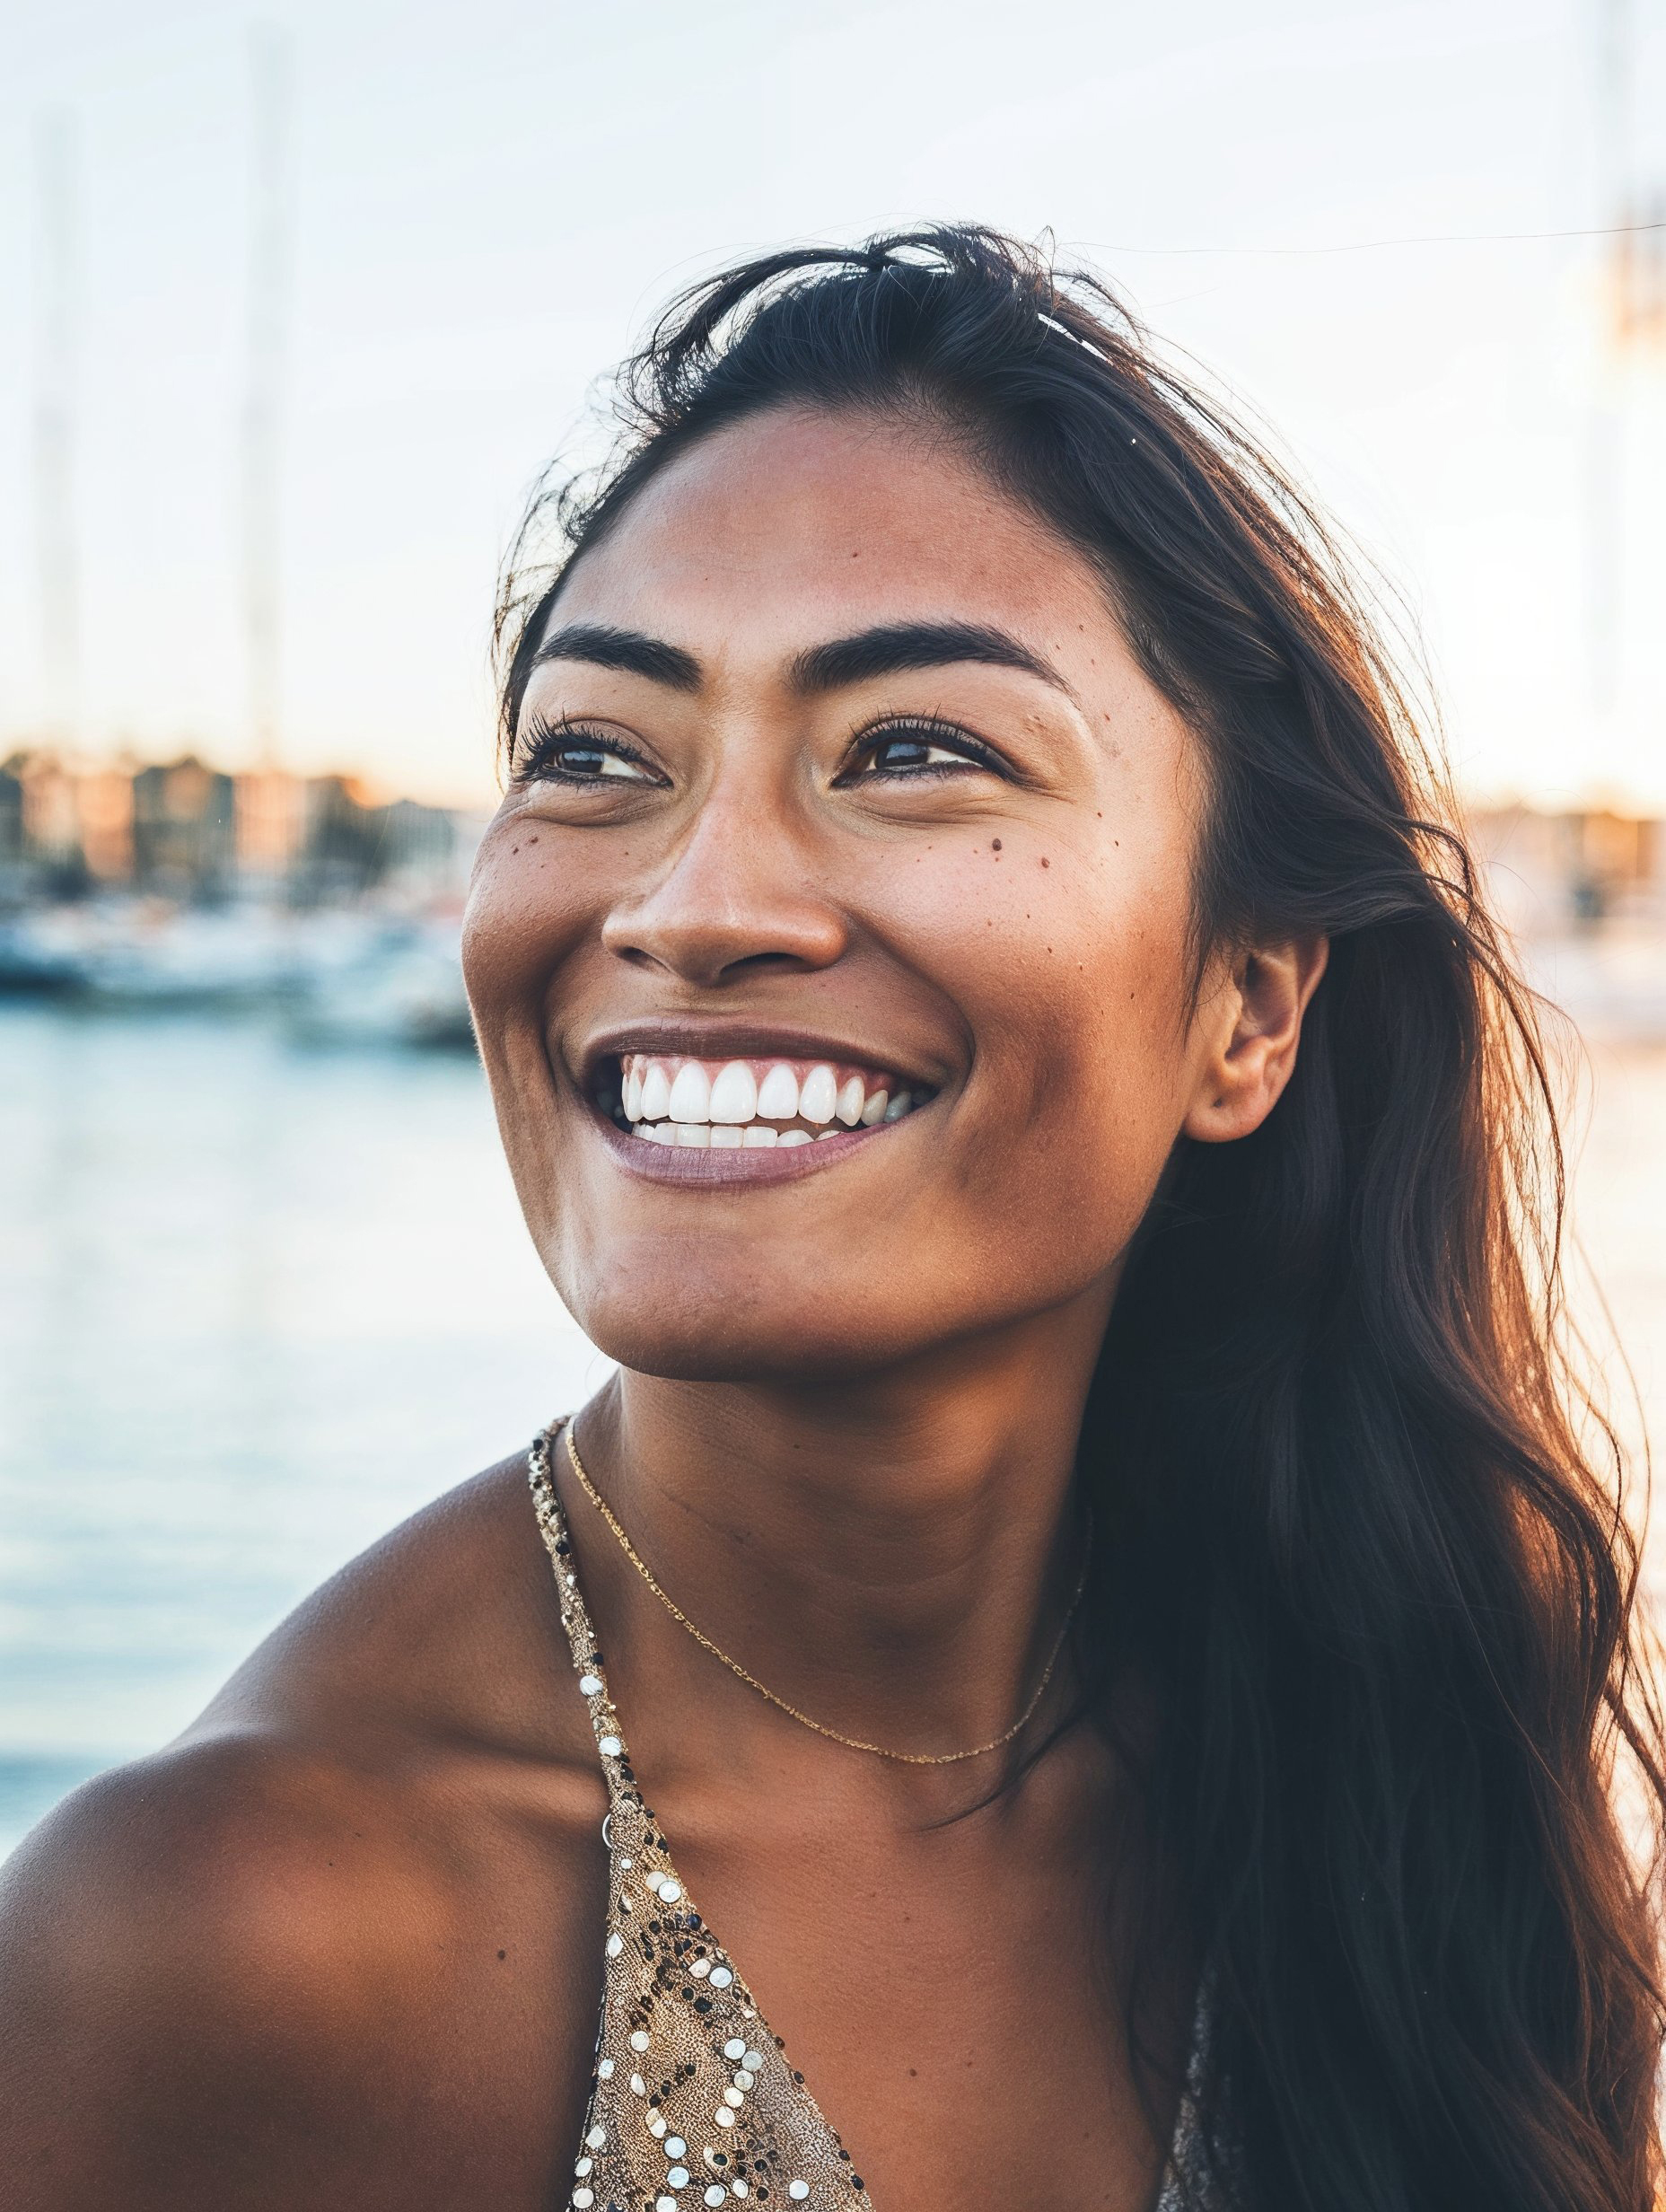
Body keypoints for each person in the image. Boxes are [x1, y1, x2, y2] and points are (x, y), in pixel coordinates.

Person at [2, 224, 1661, 2212]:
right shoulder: (235, 1931)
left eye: (913, 750)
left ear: (1252, 1005)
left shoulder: (1400, 1744)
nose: (693, 904)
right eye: (596, 754)